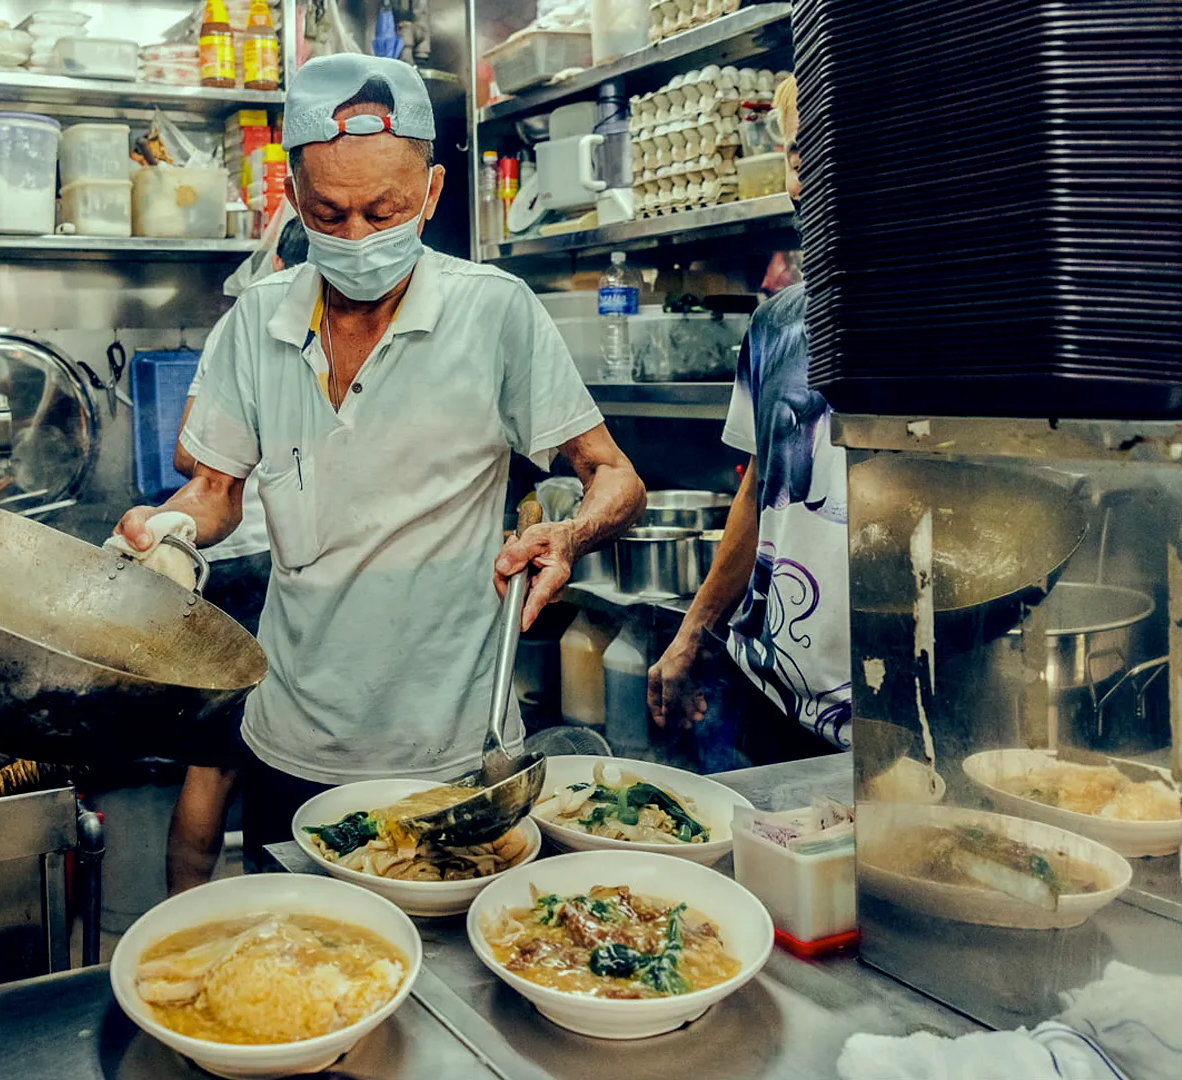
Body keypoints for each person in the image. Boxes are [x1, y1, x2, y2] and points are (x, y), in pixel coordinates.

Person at [117, 54, 647, 865]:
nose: (357, 236)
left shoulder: (493, 312)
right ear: (294, 199)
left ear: (430, 194)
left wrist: (569, 537)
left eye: (383, 210)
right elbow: (215, 491)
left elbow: (613, 476)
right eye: (329, 214)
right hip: (292, 742)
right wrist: (166, 532)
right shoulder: (253, 324)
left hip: (454, 751)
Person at [647, 76, 851, 761]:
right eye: (795, 157)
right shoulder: (776, 325)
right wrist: (694, 630)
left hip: (898, 710)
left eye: (821, 152)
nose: (798, 185)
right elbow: (759, 488)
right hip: (772, 701)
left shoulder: (973, 319)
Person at [166, 216, 307, 894]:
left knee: (232, 756)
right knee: (217, 756)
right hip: (244, 563)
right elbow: (190, 455)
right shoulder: (249, 323)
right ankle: (188, 918)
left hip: (289, 566)